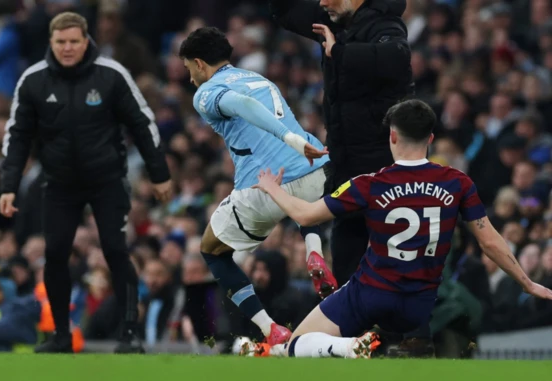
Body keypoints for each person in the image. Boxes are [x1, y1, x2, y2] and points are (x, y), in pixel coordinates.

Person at [248, 100, 552, 358]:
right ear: (430, 139)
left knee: (297, 345)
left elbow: (306, 214)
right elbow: (489, 242)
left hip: (371, 294)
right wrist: (527, 282)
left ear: (392, 137)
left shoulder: (369, 184)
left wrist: (271, 188)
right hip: (418, 306)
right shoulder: (458, 182)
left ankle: (351, 346)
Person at [0, 12, 172, 354]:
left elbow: (142, 123)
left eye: (73, 41)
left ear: (86, 40)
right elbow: (17, 136)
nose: (67, 48)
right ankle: (61, 335)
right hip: (59, 184)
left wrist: (160, 173)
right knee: (55, 253)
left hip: (107, 180)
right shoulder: (32, 80)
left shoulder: (111, 74)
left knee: (115, 249)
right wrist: (8, 185)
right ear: (51, 42)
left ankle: (129, 334)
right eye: (61, 42)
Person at [269, 0, 418, 354]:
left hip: (382, 162)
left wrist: (343, 52)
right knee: (347, 251)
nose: (320, 3)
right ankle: (356, 342)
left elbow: (397, 59)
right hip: (346, 161)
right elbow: (285, 11)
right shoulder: (332, 20)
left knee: (394, 254)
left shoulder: (385, 24)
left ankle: (410, 340)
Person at [178, 27, 333, 346]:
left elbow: (240, 104)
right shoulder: (258, 77)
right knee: (307, 212)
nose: (190, 77)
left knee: (212, 251)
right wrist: (298, 142)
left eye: (189, 69)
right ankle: (314, 253)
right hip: (314, 169)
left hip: (264, 185)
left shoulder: (207, 92)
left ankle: (270, 329)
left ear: (200, 64)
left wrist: (289, 138)